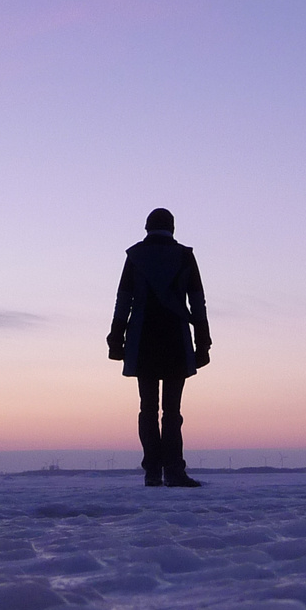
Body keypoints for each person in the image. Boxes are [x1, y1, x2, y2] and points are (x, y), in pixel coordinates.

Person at [108, 208, 211, 487]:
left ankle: (152, 471)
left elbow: (123, 302)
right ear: (173, 228)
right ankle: (174, 471)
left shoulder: (135, 257)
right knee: (172, 411)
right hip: (176, 339)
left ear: (146, 228)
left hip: (142, 341)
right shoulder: (185, 256)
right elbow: (198, 303)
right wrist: (203, 342)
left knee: (148, 408)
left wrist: (116, 339)